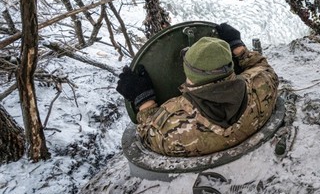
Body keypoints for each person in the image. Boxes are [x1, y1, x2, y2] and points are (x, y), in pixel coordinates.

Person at [116, 23, 279, 157]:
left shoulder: (171, 130)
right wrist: (239, 49)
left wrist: (144, 101)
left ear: (187, 72)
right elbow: (262, 67)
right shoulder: (264, 85)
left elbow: (147, 134)